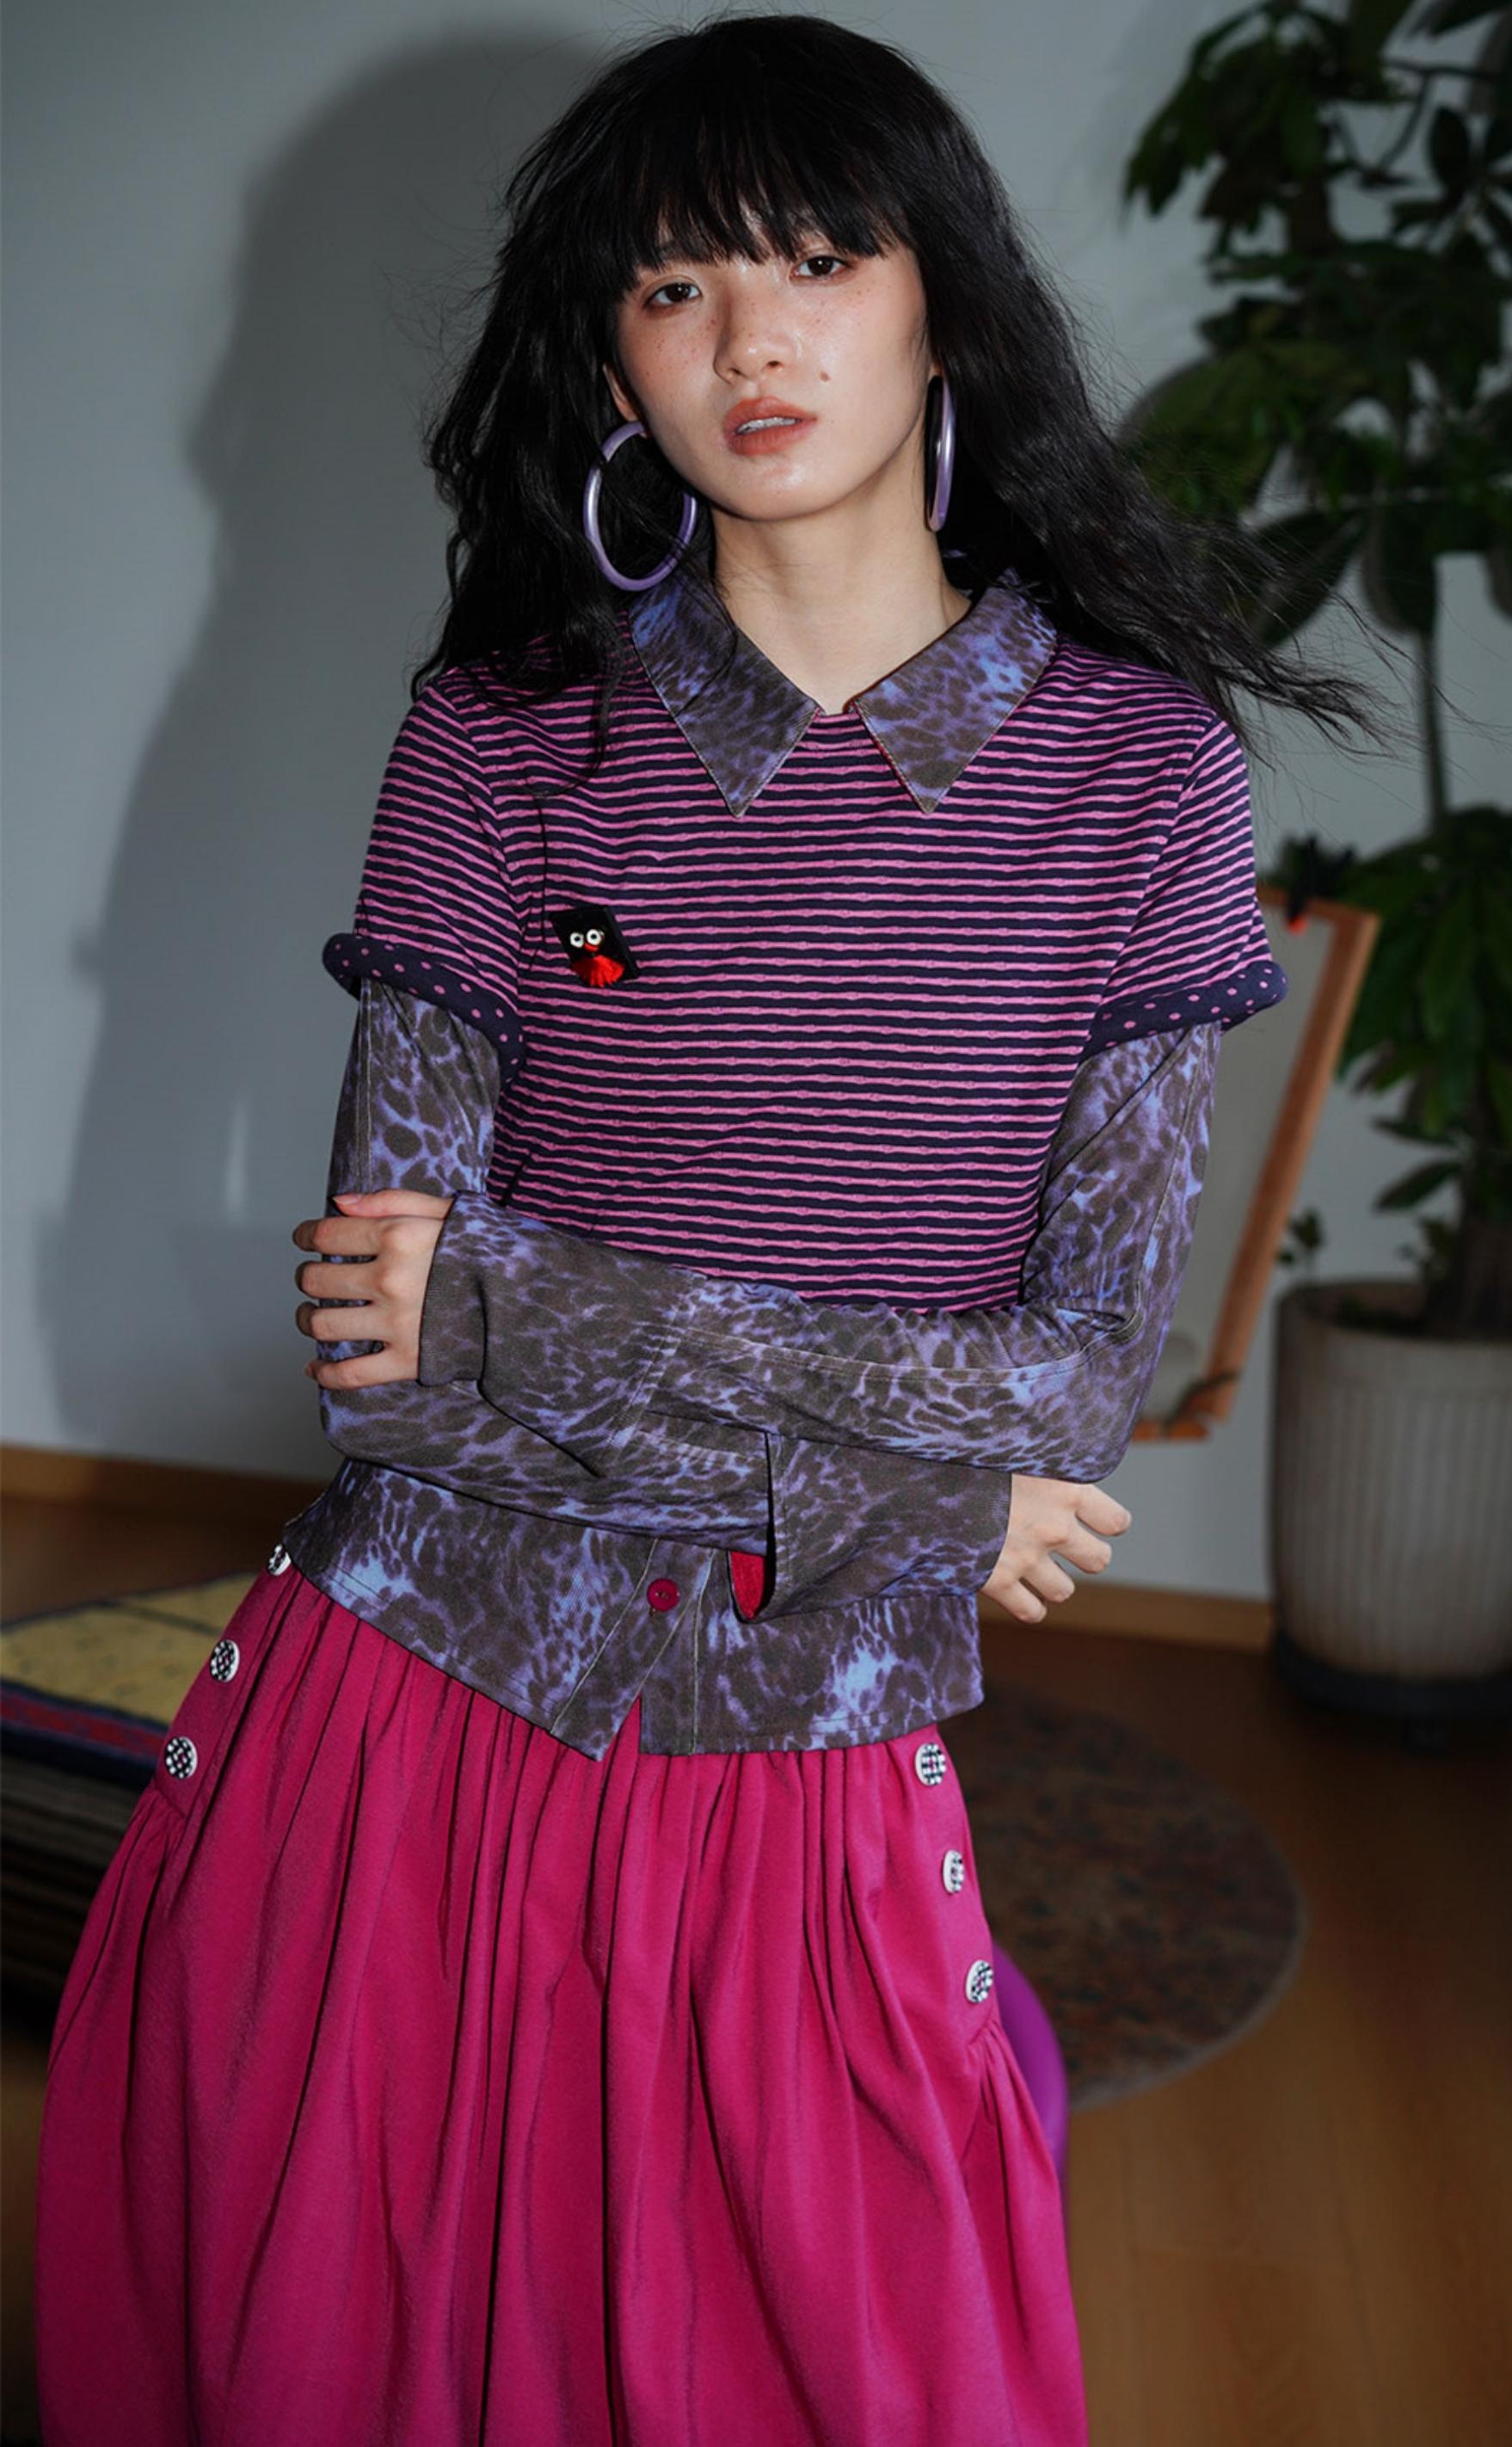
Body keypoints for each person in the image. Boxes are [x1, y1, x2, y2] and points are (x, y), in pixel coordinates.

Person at [33, 14, 1386, 2442]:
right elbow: (382, 1370)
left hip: (810, 1715)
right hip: (409, 1691)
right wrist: (916, 1483)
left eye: (818, 258)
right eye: (674, 285)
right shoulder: (501, 737)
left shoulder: (1141, 778)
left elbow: (1075, 1384)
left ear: (943, 303)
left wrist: (533, 1298)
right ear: (608, 357)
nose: (752, 338)